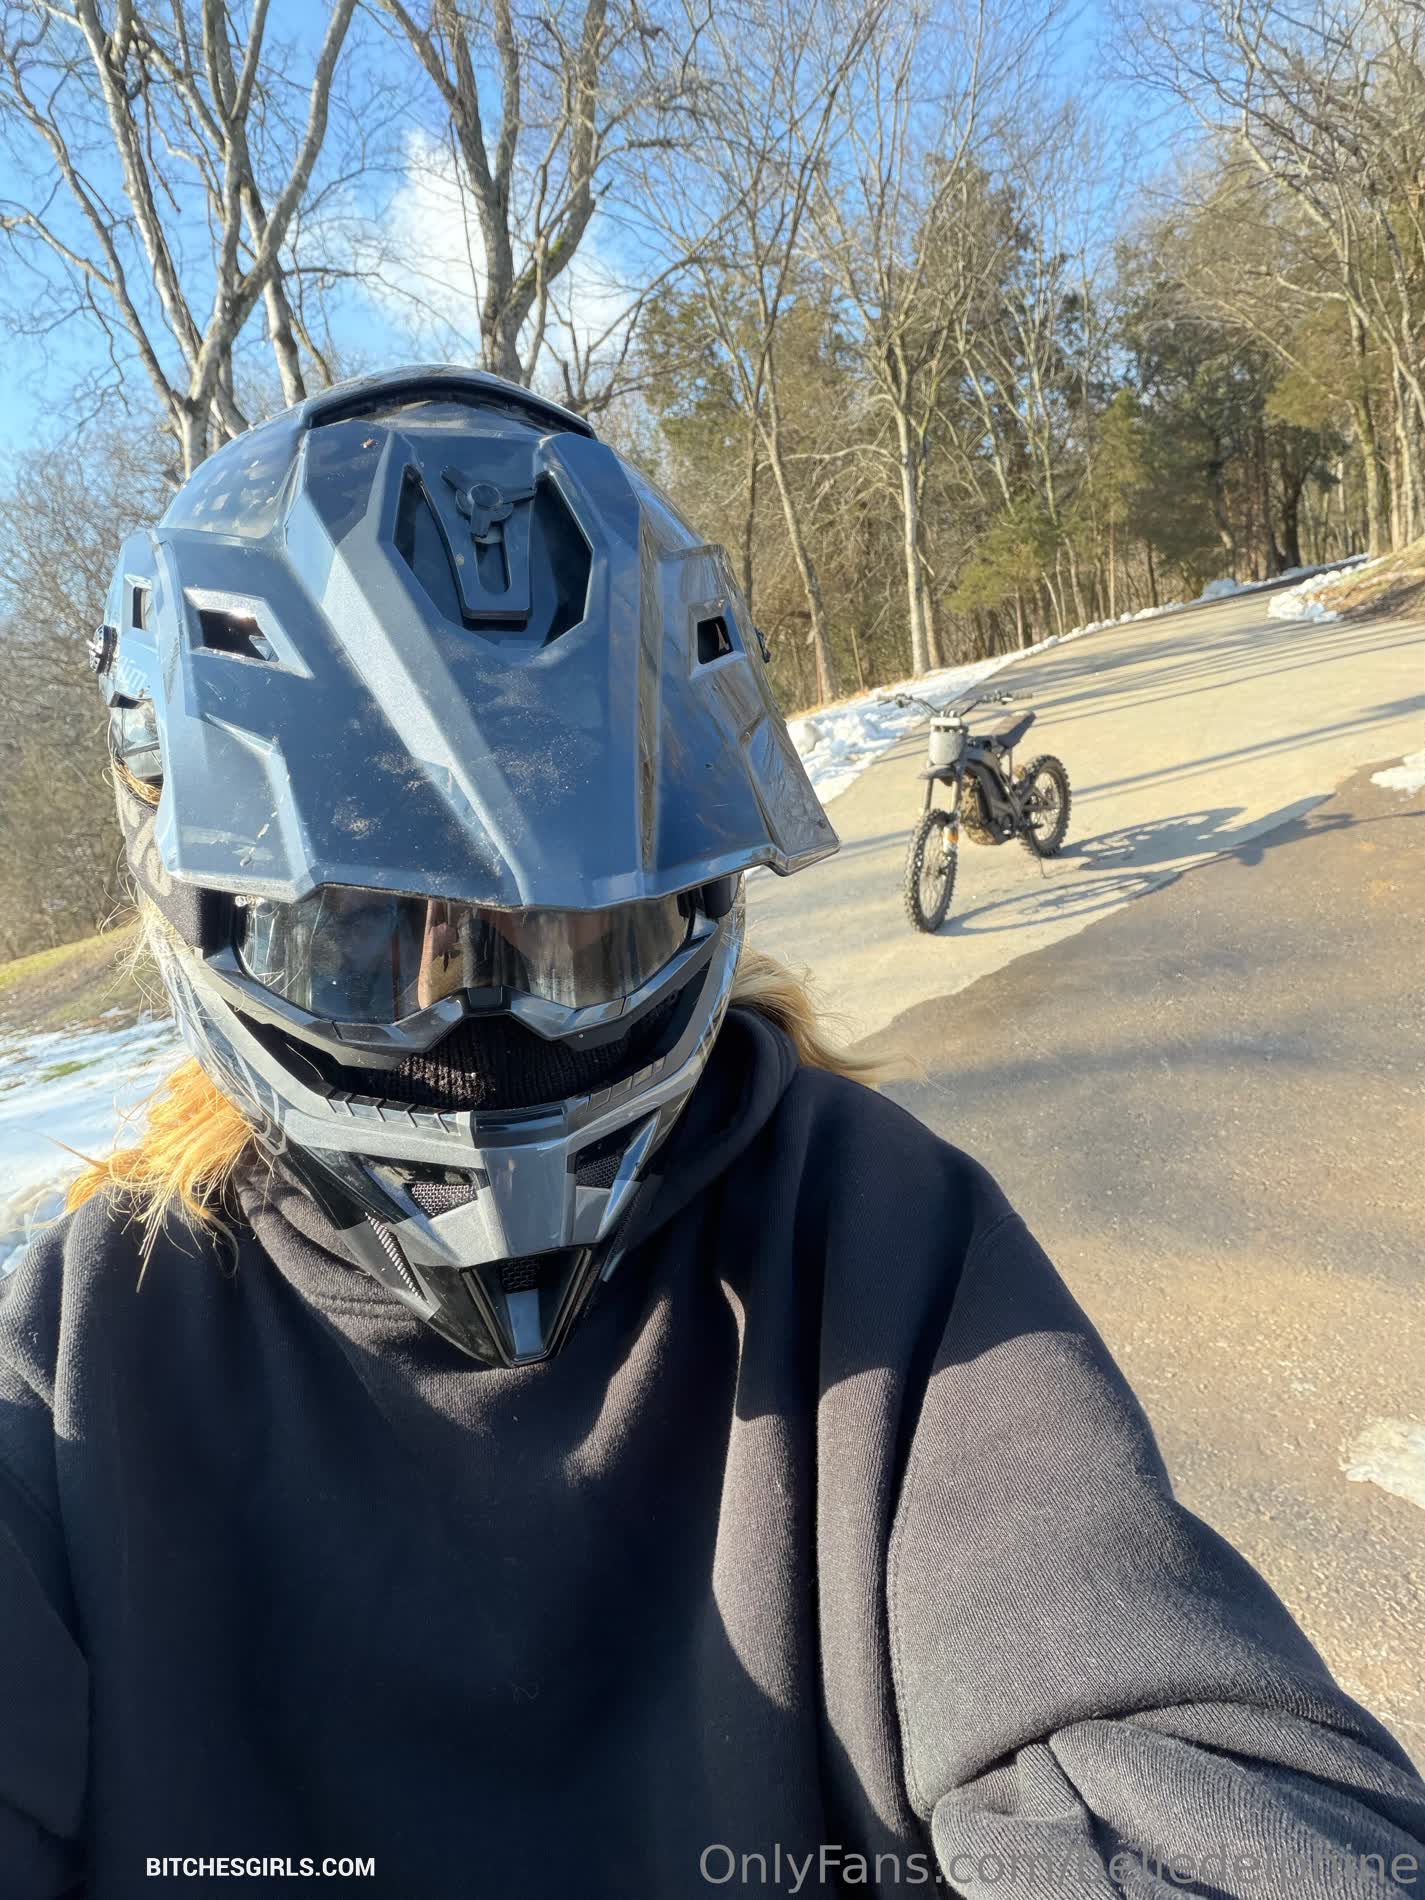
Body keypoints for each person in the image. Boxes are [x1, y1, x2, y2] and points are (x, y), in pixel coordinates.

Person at [1, 367, 1420, 1900]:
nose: (486, 1021)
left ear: (691, 889)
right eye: (361, 938)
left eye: (584, 934)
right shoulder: (80, 1347)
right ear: (203, 905)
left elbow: (1128, 1695)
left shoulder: (862, 1231)